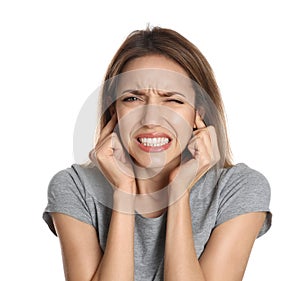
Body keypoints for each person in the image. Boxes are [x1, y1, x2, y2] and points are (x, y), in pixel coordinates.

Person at [43, 26, 272, 281]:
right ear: (113, 111)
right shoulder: (75, 187)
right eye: (132, 99)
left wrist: (178, 192)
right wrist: (125, 193)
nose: (151, 119)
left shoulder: (239, 188)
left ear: (199, 113)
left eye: (173, 100)